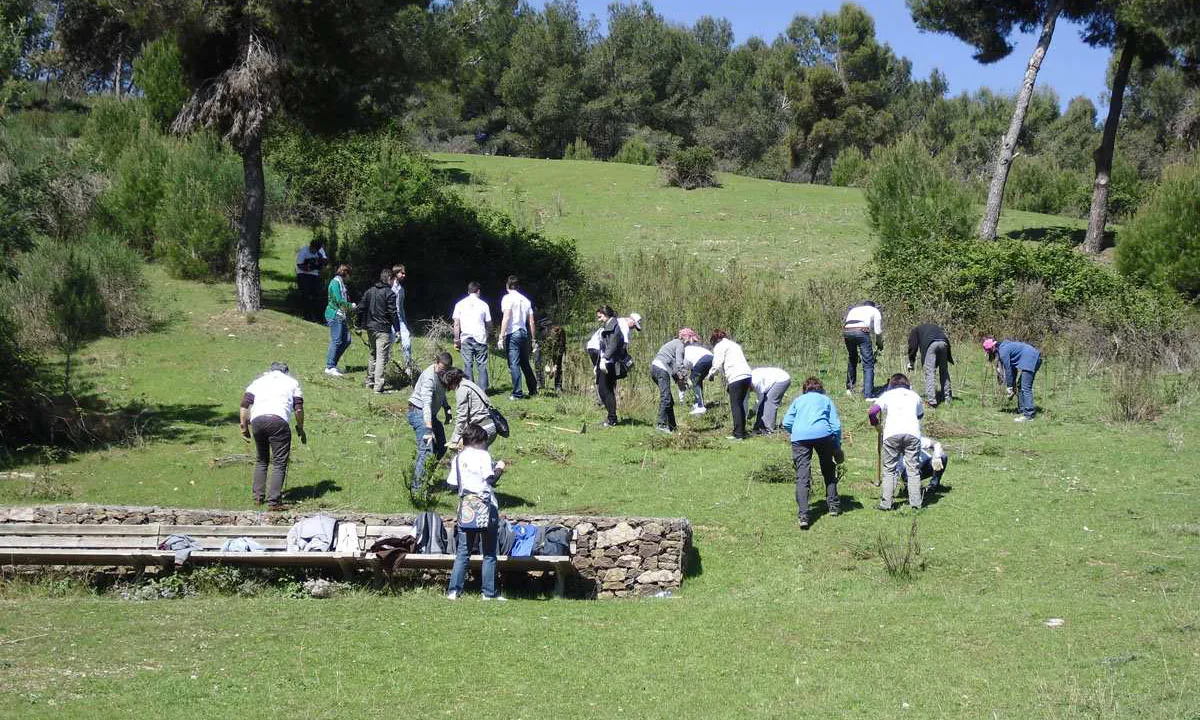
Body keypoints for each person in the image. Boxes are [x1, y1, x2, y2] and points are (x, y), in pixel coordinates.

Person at [446, 423, 506, 601]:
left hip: (466, 508)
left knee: (463, 551)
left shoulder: (458, 458)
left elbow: (452, 483)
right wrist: (500, 468)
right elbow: (491, 479)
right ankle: (488, 593)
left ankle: (454, 591)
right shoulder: (483, 455)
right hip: (486, 507)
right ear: (479, 440)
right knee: (489, 552)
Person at [239, 362, 305, 511]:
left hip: (257, 421)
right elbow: (298, 409)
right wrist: (300, 427)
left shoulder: (258, 381)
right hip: (278, 421)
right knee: (279, 462)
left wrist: (244, 427)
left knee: (262, 460)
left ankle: (257, 498)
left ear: (270, 371)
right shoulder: (292, 382)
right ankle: (274, 501)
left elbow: (244, 405)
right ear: (286, 372)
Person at [781, 377, 843, 529]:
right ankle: (833, 506)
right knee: (828, 469)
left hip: (800, 438)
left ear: (804, 389)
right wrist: (837, 445)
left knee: (803, 476)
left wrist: (796, 431)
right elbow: (835, 426)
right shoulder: (826, 400)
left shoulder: (798, 401)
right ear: (821, 388)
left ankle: (803, 515)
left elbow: (786, 422)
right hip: (823, 435)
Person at [869, 373, 925, 511]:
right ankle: (916, 504)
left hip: (891, 433)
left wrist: (876, 425)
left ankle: (886, 503)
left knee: (889, 469)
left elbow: (872, 412)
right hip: (912, 433)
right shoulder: (915, 396)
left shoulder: (887, 395)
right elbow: (920, 415)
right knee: (913, 469)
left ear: (891, 385)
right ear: (907, 384)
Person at [408, 352, 453, 492]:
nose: (443, 372)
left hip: (430, 415)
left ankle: (424, 478)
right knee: (427, 449)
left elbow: (440, 392)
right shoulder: (429, 378)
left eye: (446, 369)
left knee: (442, 446)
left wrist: (446, 407)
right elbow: (426, 404)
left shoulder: (442, 374)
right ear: (436, 362)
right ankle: (417, 489)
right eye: (441, 369)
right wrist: (429, 429)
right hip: (419, 412)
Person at [707, 329, 753, 440]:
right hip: (747, 375)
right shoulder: (734, 345)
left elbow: (717, 363)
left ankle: (738, 435)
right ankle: (741, 432)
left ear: (714, 340)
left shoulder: (720, 346)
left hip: (736, 377)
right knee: (740, 405)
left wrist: (710, 375)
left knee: (735, 406)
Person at [497, 275, 538, 399]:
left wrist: (501, 336)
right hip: (523, 333)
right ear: (518, 286)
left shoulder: (507, 298)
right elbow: (531, 322)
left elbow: (507, 317)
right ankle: (533, 389)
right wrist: (533, 339)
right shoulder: (526, 300)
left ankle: (517, 392)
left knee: (514, 363)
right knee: (525, 362)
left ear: (507, 286)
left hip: (512, 332)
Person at [984, 337, 1043, 422]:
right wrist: (1013, 385)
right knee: (1020, 385)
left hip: (1031, 359)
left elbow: (1008, 370)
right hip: (1032, 357)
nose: (990, 355)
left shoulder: (1003, 352)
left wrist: (1010, 388)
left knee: (1026, 387)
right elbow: (1013, 369)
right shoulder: (1004, 346)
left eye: (989, 352)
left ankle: (1029, 415)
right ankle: (1022, 410)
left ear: (993, 348)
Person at [358, 268, 397, 393]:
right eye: (393, 280)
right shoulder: (390, 294)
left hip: (370, 328)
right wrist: (397, 330)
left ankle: (369, 381)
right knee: (381, 357)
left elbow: (360, 308)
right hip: (383, 329)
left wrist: (358, 325)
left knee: (373, 354)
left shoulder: (370, 291)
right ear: (390, 279)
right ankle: (378, 386)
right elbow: (393, 313)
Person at [452, 281, 493, 392]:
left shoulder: (460, 304)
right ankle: (483, 390)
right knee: (482, 365)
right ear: (478, 291)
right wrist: (489, 334)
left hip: (466, 338)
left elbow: (456, 323)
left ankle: (469, 389)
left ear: (468, 291)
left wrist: (456, 339)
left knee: (467, 365)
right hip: (480, 338)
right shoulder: (484, 305)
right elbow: (489, 323)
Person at [443, 368, 498, 448]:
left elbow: (462, 417)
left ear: (453, 382)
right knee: (481, 456)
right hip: (490, 425)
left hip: (481, 428)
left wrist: (454, 440)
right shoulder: (470, 384)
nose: (450, 389)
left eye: (449, 386)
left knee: (471, 456)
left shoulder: (462, 390)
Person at [843, 300, 883, 398]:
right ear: (874, 306)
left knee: (853, 358)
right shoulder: (875, 311)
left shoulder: (854, 309)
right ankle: (868, 394)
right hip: (861, 331)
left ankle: (849, 388)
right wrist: (879, 343)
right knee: (868, 364)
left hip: (847, 331)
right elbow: (878, 332)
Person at [907, 323, 954, 406]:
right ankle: (948, 398)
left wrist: (911, 361)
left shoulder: (915, 330)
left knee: (930, 373)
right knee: (944, 371)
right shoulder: (933, 327)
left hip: (931, 344)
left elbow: (913, 346)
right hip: (944, 342)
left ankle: (932, 401)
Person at [650, 335, 688, 433]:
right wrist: (685, 377)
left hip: (655, 368)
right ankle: (661, 425)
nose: (690, 344)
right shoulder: (680, 344)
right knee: (666, 398)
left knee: (670, 401)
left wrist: (678, 380)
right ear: (687, 338)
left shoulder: (673, 344)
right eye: (691, 340)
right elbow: (679, 364)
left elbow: (673, 367)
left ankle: (672, 427)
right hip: (662, 369)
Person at [595, 306, 625, 427]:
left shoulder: (614, 327)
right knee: (605, 390)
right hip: (607, 361)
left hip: (610, 362)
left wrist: (605, 359)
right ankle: (611, 417)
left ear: (606, 314)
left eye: (600, 316)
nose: (599, 319)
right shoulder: (609, 325)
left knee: (605, 390)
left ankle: (612, 418)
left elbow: (612, 345)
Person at [323, 264, 354, 377]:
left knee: (347, 339)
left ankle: (333, 364)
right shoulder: (335, 283)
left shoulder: (341, 283)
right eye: (349, 275)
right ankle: (329, 366)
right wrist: (351, 306)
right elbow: (338, 300)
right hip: (334, 314)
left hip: (342, 315)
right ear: (345, 274)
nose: (350, 278)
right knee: (336, 340)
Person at [750, 366, 792, 435]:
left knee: (770, 401)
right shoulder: (746, 382)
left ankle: (768, 429)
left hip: (782, 379)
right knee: (764, 402)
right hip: (771, 381)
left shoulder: (755, 382)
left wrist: (753, 410)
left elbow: (760, 398)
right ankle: (759, 427)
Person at [295, 238, 327, 322]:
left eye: (315, 250)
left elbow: (324, 262)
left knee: (317, 295)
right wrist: (310, 267)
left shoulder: (320, 251)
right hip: (303, 274)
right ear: (310, 246)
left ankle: (319, 317)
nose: (313, 252)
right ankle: (307, 316)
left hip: (314, 274)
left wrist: (318, 264)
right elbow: (299, 265)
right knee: (306, 295)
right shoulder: (304, 250)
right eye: (312, 250)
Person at [680, 329, 712, 415]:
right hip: (710, 358)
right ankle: (697, 403)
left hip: (702, 360)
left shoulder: (683, 351)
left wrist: (682, 387)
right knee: (698, 381)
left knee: (693, 381)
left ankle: (700, 406)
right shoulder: (692, 348)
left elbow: (684, 368)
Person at [391, 264, 413, 370]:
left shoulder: (401, 289)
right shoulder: (390, 287)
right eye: (402, 273)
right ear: (396, 274)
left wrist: (404, 322)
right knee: (388, 345)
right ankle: (385, 367)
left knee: (407, 342)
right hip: (389, 320)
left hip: (400, 320)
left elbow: (401, 308)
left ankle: (408, 367)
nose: (404, 275)